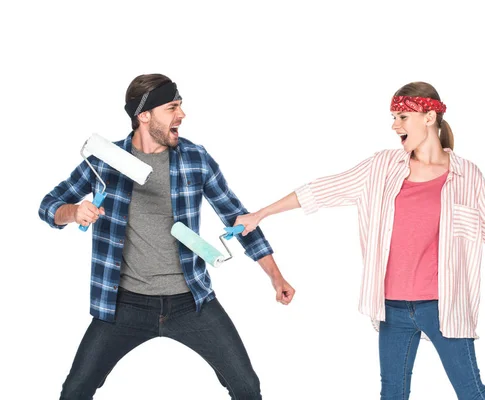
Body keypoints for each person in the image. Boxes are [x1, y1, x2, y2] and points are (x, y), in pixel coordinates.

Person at [234, 81, 485, 399]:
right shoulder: (383, 166)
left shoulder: (467, 175)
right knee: (393, 392)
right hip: (392, 306)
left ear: (429, 117)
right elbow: (322, 189)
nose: (394, 125)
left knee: (470, 389)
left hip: (443, 306)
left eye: (402, 117)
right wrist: (260, 214)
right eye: (393, 117)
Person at [38, 73, 295, 400]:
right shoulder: (105, 161)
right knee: (76, 389)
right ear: (143, 116)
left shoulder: (195, 159)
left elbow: (239, 218)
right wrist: (73, 213)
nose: (182, 115)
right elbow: (49, 205)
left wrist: (276, 277)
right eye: (172, 107)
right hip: (124, 304)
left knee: (246, 387)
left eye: (181, 106)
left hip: (192, 302)